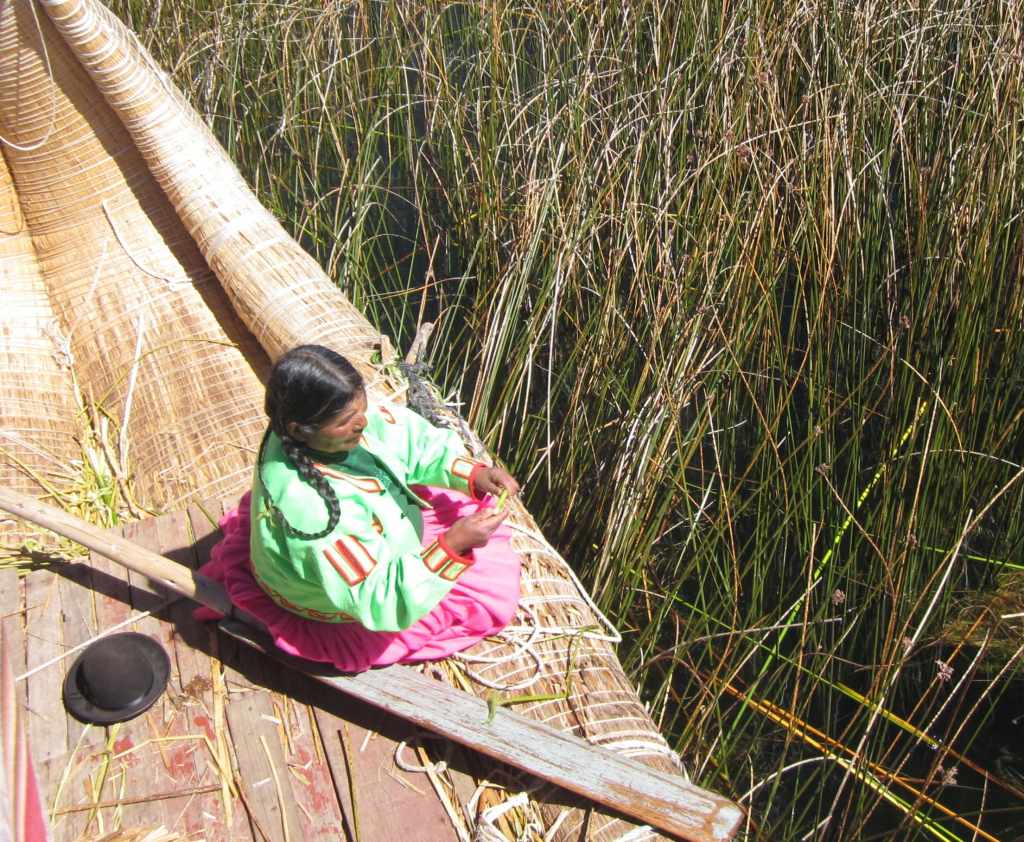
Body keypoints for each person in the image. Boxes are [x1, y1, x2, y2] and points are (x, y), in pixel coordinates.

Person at [196, 345, 523, 672]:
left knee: (452, 495)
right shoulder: (314, 517)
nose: (362, 424)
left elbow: (404, 436)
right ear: (299, 429)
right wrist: (453, 545)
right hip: (340, 588)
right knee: (493, 591)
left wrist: (476, 473)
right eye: (345, 421)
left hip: (350, 533)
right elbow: (378, 595)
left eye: (361, 409)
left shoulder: (310, 426)